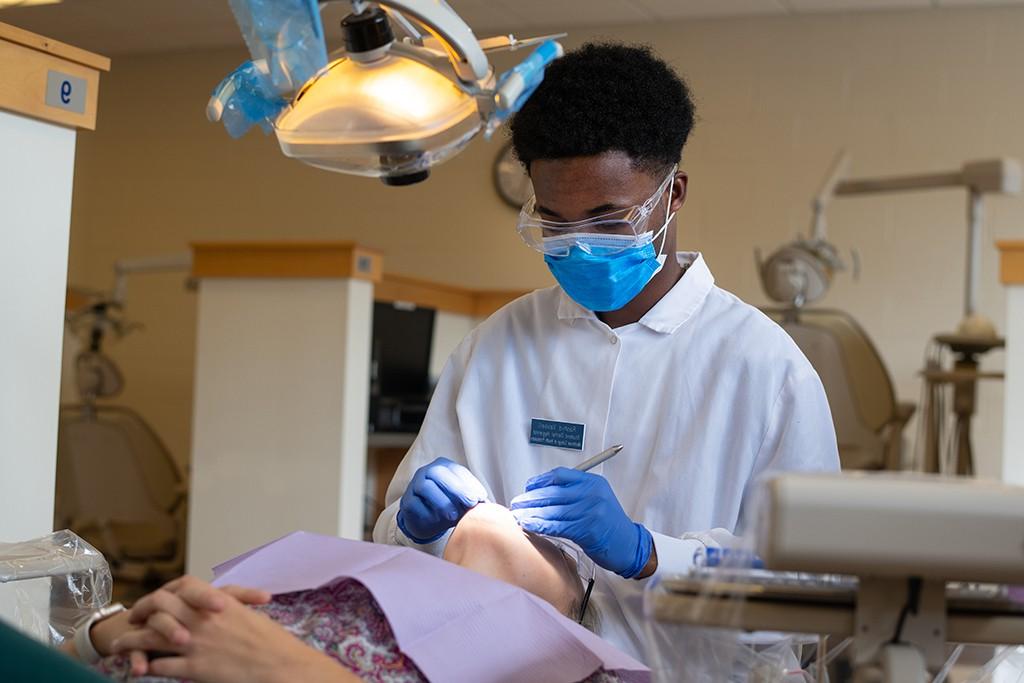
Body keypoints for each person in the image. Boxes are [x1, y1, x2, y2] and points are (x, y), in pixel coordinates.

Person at [372, 41, 841, 663]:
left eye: (608, 218)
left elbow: (812, 594)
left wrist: (650, 554)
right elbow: (406, 548)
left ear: (672, 194)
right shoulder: (497, 346)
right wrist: (414, 524)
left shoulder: (764, 368)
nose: (579, 245)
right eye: (555, 222)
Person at [58, 504, 617, 683]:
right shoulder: (341, 586)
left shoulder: (565, 665)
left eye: (548, 544)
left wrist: (291, 670)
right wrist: (104, 629)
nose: (500, 513)